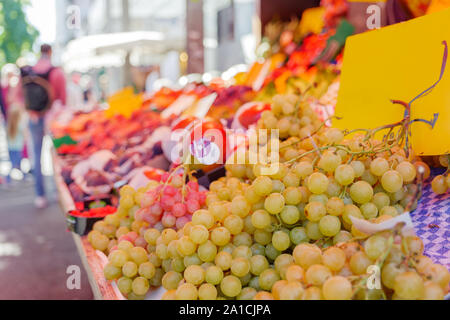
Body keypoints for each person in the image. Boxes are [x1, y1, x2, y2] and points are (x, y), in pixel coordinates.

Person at [25, 44, 66, 208]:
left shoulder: (31, 70)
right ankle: (58, 191)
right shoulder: (55, 71)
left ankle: (40, 195)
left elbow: (22, 96)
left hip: (34, 117)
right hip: (53, 117)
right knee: (58, 155)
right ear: (50, 52)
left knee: (36, 155)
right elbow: (62, 97)